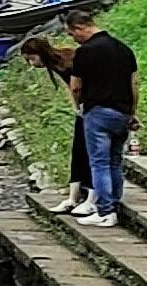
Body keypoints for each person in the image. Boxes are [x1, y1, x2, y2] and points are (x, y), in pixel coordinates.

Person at [25, 12, 140, 227]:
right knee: (115, 162)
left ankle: (104, 210)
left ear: (80, 27)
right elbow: (134, 84)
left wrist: (80, 107)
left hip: (97, 112)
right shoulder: (124, 49)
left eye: (72, 33)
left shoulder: (85, 53)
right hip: (121, 112)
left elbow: (76, 86)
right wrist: (132, 113)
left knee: (99, 163)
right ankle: (113, 205)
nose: (72, 39)